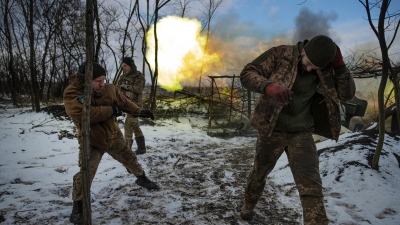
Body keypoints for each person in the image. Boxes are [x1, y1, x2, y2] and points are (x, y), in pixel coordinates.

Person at [239, 35, 356, 224]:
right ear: (303, 51)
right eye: (308, 63)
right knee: (259, 173)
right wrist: (268, 86)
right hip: (272, 129)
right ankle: (249, 205)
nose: (309, 69)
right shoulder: (281, 54)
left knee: (311, 185)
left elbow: (347, 94)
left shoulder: (325, 69)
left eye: (314, 68)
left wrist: (340, 66)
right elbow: (247, 74)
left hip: (301, 133)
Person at [63, 62, 160, 224]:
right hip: (91, 140)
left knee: (130, 158)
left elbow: (123, 102)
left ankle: (141, 178)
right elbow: (83, 114)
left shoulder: (109, 89)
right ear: (86, 80)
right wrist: (111, 110)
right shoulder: (72, 93)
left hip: (113, 135)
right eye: (97, 81)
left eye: (103, 79)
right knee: (86, 172)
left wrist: (139, 111)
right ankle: (78, 206)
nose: (102, 84)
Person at [118, 57, 147, 155]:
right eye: (122, 66)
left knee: (128, 125)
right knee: (135, 126)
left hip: (135, 107)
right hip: (125, 104)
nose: (124, 68)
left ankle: (127, 151)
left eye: (125, 66)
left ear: (131, 65)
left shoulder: (139, 76)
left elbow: (139, 89)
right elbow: (119, 90)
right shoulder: (122, 77)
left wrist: (126, 87)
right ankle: (142, 148)